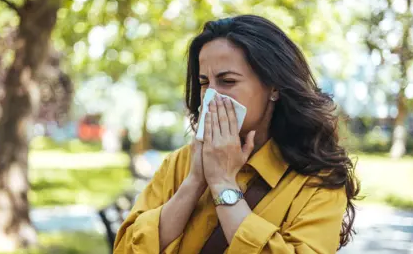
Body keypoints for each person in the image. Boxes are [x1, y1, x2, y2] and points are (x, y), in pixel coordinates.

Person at [113, 15, 360, 254]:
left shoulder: (317, 181)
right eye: (204, 83)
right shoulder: (180, 163)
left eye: (227, 81)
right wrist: (195, 181)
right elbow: (125, 249)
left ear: (274, 87)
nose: (212, 96)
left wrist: (223, 184)